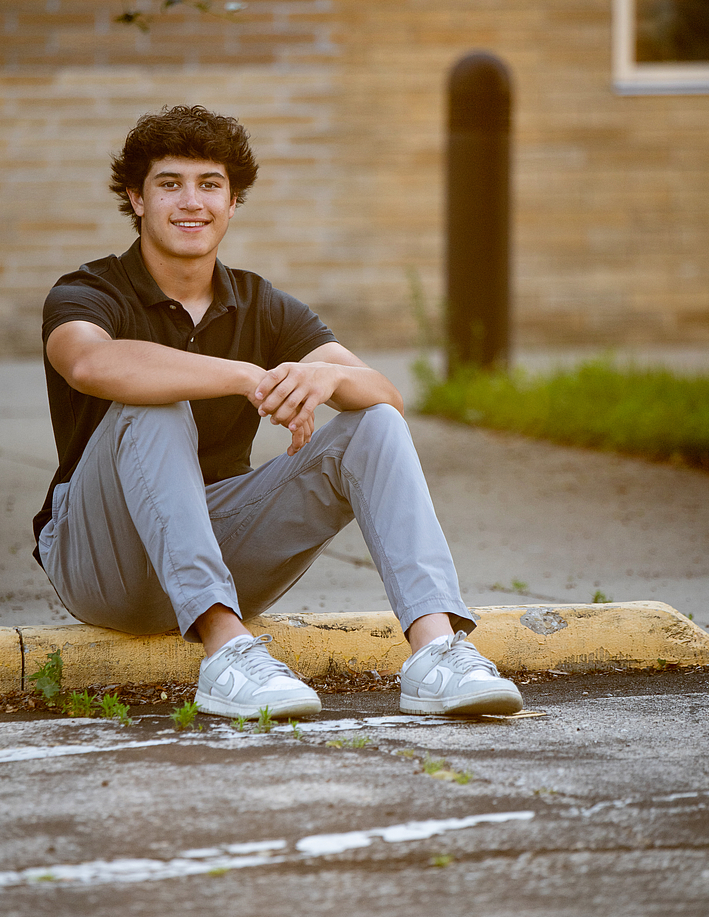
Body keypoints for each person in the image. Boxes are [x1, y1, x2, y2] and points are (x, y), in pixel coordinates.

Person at [33, 104, 522, 722]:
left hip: (219, 546)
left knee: (372, 423)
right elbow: (90, 365)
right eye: (169, 184)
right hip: (103, 559)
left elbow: (387, 397)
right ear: (136, 197)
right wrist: (242, 376)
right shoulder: (88, 291)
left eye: (210, 185)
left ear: (233, 202)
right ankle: (227, 653)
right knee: (150, 406)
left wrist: (327, 376)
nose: (192, 202)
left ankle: (436, 652)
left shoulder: (261, 304)